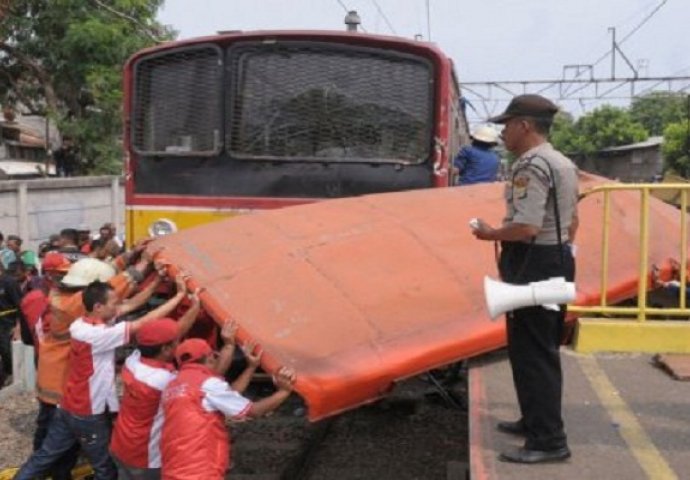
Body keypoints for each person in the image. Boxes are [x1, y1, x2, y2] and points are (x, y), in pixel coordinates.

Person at [471, 94, 579, 464]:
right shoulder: (562, 162)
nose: (503, 133)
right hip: (555, 257)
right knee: (534, 349)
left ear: (524, 126)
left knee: (534, 354)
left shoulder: (531, 165)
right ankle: (534, 422)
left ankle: (549, 440)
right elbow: (573, 221)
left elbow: (528, 226)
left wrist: (490, 234)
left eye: (507, 125)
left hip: (535, 261)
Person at [15, 274, 190, 480]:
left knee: (44, 456)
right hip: (88, 413)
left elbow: (131, 305)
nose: (118, 307)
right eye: (114, 303)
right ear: (98, 307)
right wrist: (179, 297)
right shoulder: (99, 335)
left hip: (67, 406)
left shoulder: (81, 324)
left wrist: (156, 281)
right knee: (104, 468)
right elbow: (141, 324)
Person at [160, 323, 296, 480]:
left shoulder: (173, 385)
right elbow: (254, 410)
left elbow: (228, 396)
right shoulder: (207, 384)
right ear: (210, 358)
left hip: (173, 468)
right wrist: (284, 391)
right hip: (200, 470)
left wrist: (251, 368)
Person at [109, 288, 201, 480]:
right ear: (166, 349)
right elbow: (207, 382)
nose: (179, 344)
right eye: (176, 343)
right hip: (146, 458)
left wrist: (195, 307)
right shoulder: (164, 381)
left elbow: (174, 333)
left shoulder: (132, 362)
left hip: (121, 445)